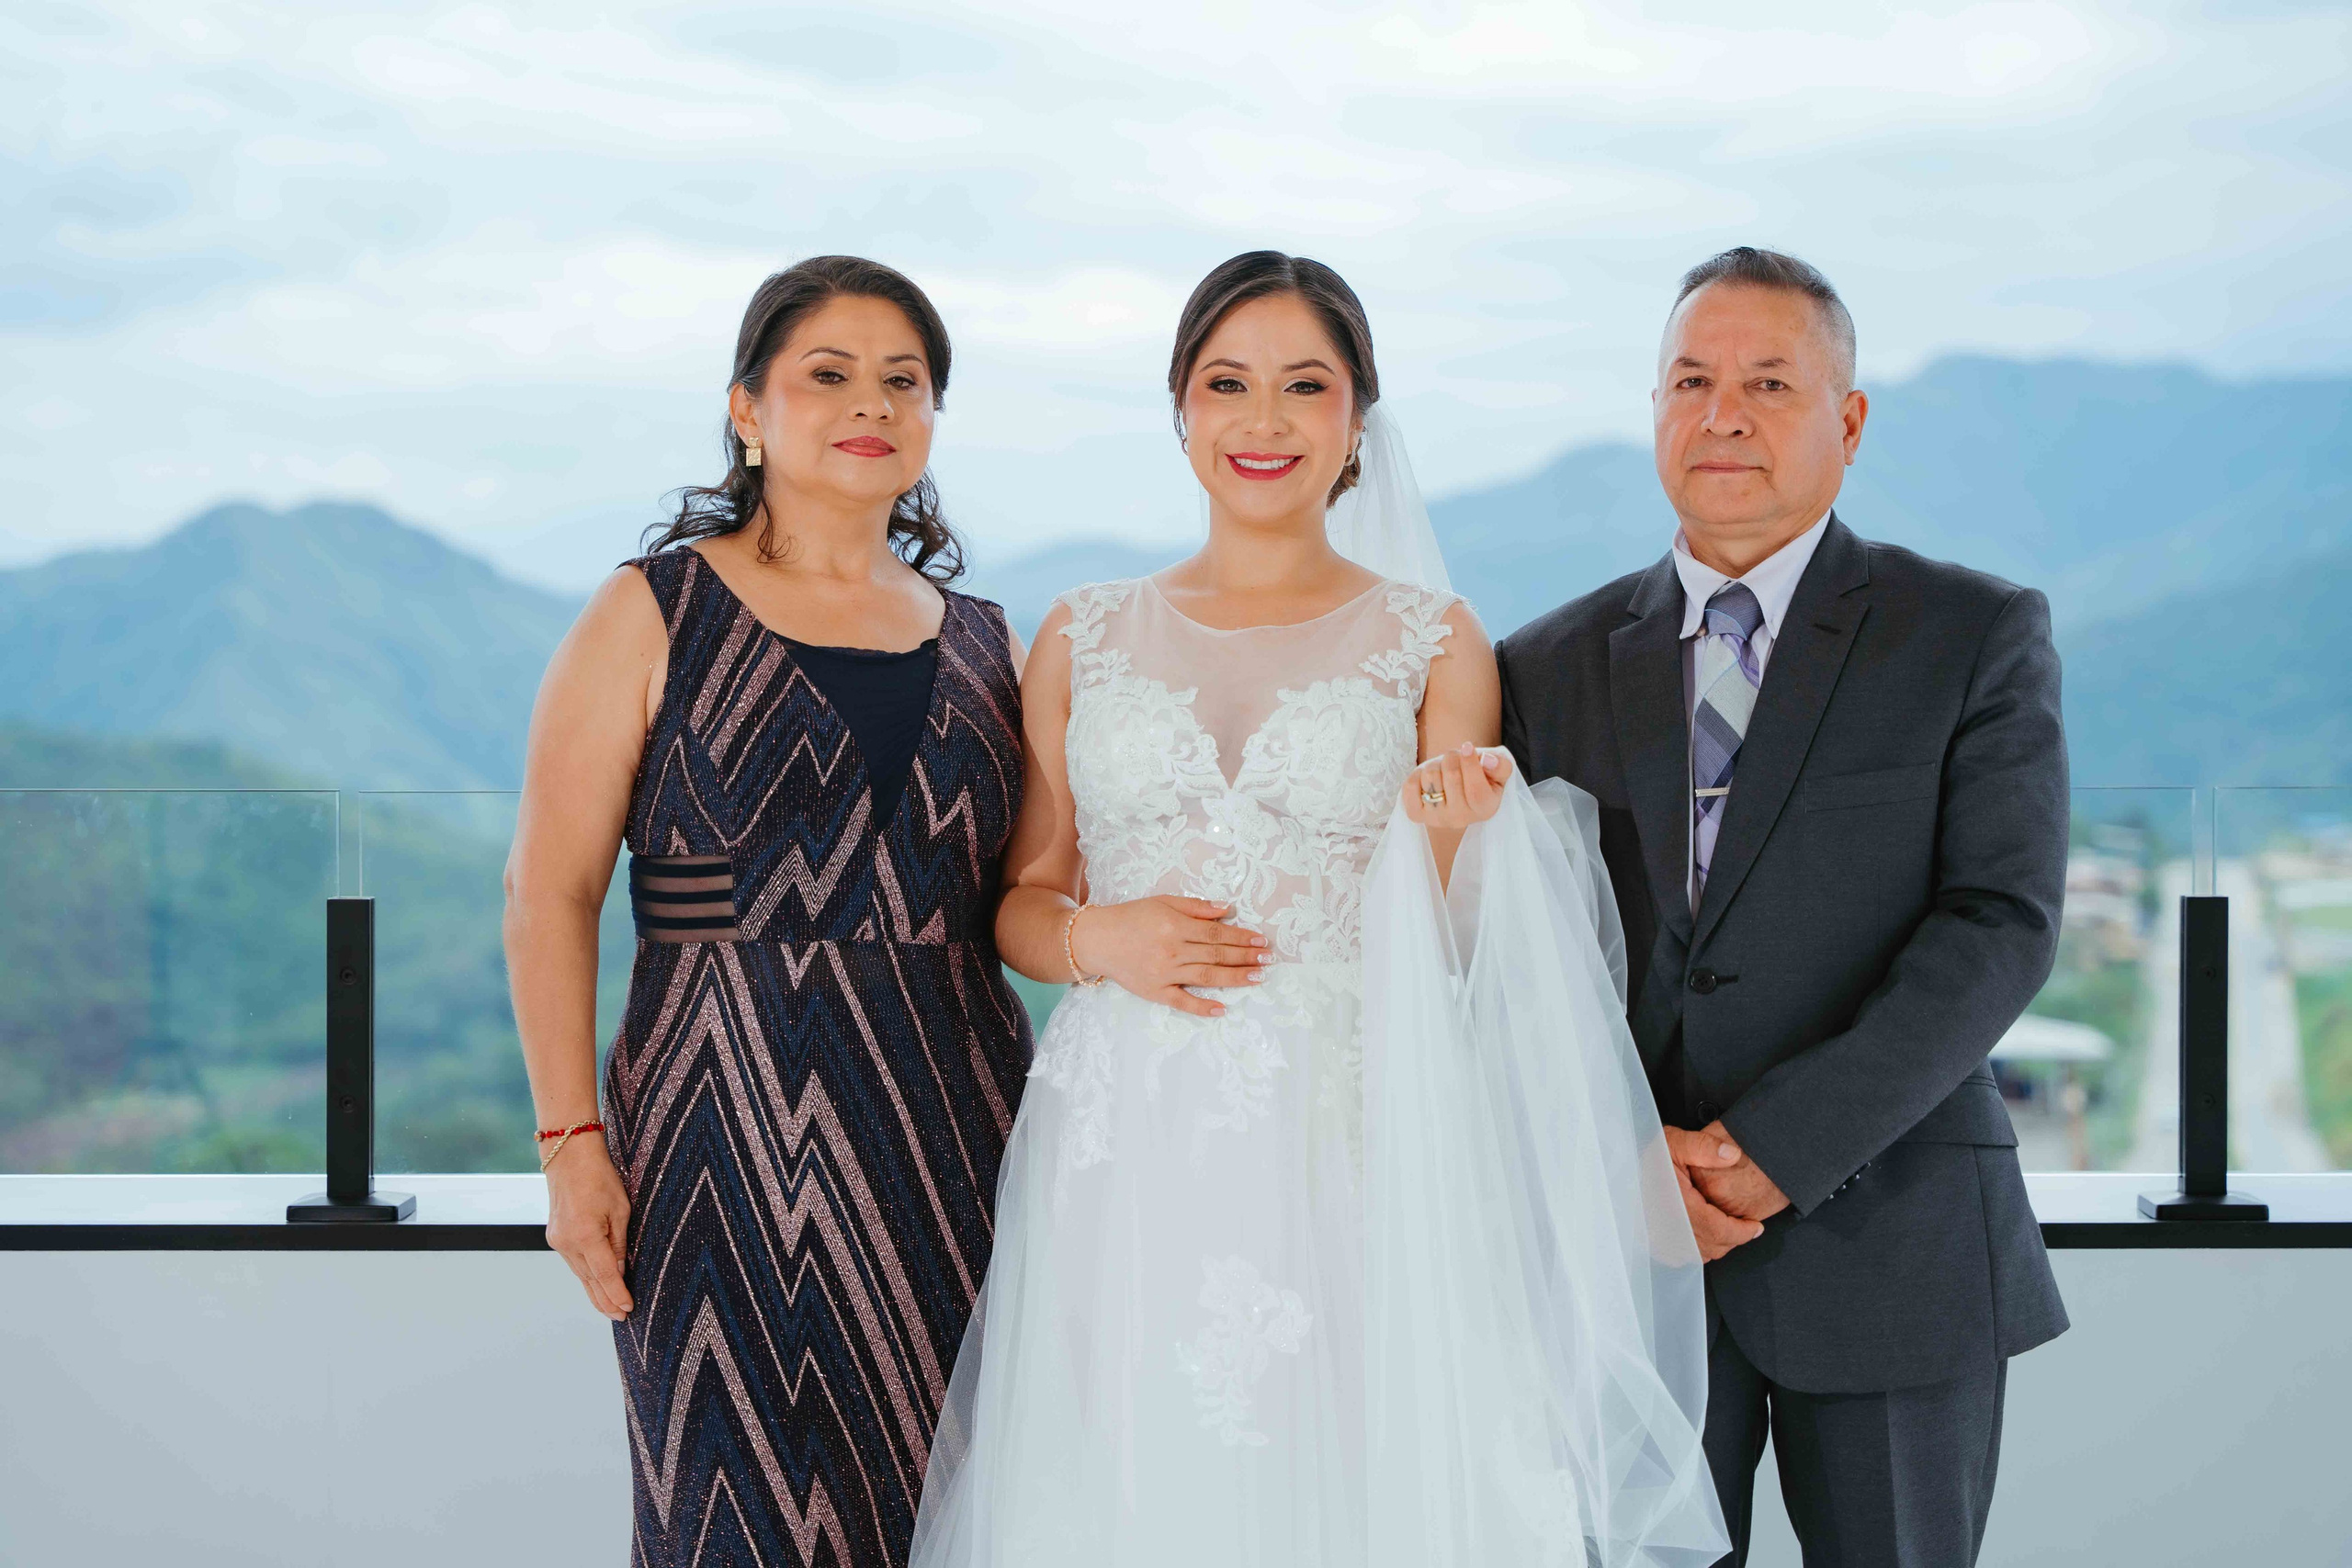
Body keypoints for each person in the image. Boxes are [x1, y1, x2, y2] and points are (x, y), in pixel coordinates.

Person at [910, 252, 1728, 1566]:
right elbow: (1021, 898)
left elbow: (1463, 953)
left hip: (1349, 1133)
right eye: (1228, 383)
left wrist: (1467, 842)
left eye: (1306, 385)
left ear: (1357, 420)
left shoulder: (1433, 639)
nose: (1265, 420)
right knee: (1123, 1483)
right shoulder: (1082, 631)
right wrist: (1090, 940)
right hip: (1125, 1142)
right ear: (1181, 408)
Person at [1498, 246, 2071, 1566]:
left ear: (1848, 419)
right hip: (1629, 1257)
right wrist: (1620, 1160)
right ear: (1653, 410)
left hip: (1893, 1243)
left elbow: (2000, 924)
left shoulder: (1970, 631)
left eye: (1768, 381)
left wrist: (1779, 1148)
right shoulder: (1545, 666)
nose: (1724, 415)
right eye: (1691, 381)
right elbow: (1526, 962)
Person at [503, 255, 1033, 1568]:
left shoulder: (986, 638)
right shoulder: (652, 610)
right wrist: (571, 1141)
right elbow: (549, 889)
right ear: (748, 408)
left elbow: (1030, 894)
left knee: (957, 1514)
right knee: (727, 1514)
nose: (873, 404)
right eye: (829, 374)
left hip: (957, 1143)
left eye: (904, 381)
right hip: (712, 1143)